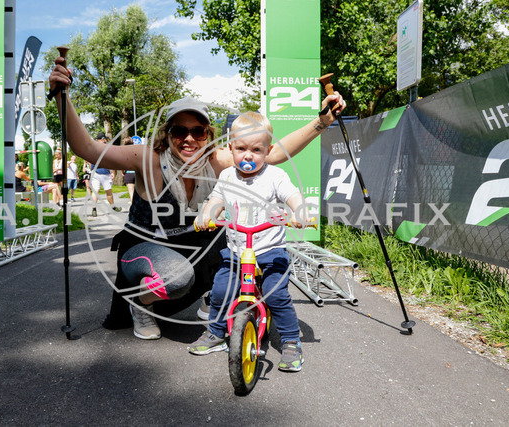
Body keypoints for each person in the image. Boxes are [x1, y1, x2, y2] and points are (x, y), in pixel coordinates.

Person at [49, 59, 344, 340]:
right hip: (144, 248)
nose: (189, 139)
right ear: (167, 133)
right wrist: (63, 97)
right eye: (180, 131)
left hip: (188, 245)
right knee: (177, 277)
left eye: (198, 131)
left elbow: (274, 153)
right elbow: (88, 149)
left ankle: (212, 296)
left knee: (237, 240)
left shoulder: (216, 160)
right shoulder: (147, 158)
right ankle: (142, 306)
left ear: (207, 134)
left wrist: (323, 121)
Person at [189, 112, 308, 372]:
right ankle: (216, 332)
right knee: (220, 291)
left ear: (268, 150)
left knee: (277, 295)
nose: (248, 156)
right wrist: (207, 215)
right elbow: (216, 200)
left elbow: (292, 195)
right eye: (241, 148)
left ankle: (291, 341)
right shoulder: (227, 176)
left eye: (256, 150)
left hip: (270, 250)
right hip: (236, 250)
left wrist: (299, 211)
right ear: (230, 148)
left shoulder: (275, 176)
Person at [88, 132, 123, 216]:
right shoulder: (106, 148)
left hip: (95, 172)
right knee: (109, 192)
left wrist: (92, 169)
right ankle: (113, 207)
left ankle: (94, 210)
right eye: (105, 139)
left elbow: (88, 160)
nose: (106, 141)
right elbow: (109, 161)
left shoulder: (92, 148)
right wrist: (112, 172)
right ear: (103, 139)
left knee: (95, 192)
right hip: (105, 172)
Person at [121, 136, 136, 202]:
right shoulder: (136, 151)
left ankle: (134, 206)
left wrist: (123, 171)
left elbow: (122, 164)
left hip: (128, 173)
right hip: (137, 173)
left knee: (131, 192)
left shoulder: (123, 152)